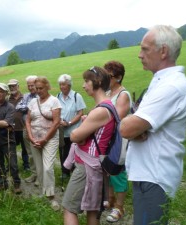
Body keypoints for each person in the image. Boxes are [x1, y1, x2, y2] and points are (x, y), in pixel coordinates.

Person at [120, 25, 186, 225]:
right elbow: (134, 125)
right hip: (148, 173)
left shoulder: (171, 86)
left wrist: (133, 125)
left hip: (154, 176)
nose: (139, 55)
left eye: (144, 49)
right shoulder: (161, 81)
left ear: (163, 51)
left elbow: (127, 128)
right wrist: (136, 125)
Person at [62, 66, 115, 225]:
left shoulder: (100, 111)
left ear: (97, 82)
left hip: (86, 166)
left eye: (86, 81)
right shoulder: (108, 105)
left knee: (69, 208)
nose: (84, 85)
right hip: (97, 165)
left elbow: (74, 136)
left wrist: (78, 131)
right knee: (92, 211)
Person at [25, 77, 61, 210]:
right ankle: (43, 192)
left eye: (41, 88)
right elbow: (28, 121)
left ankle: (51, 197)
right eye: (36, 88)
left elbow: (56, 122)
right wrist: (30, 136)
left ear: (47, 87)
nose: (38, 91)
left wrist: (44, 139)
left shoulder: (54, 101)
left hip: (49, 139)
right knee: (39, 169)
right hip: (34, 139)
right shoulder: (33, 102)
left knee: (47, 168)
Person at [103, 60, 132, 222]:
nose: (105, 79)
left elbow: (117, 118)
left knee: (118, 171)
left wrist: (96, 121)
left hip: (119, 139)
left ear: (119, 77)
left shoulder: (123, 94)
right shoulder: (108, 93)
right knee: (107, 169)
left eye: (109, 76)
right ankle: (111, 199)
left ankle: (119, 208)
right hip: (107, 138)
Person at [57, 74, 86, 179]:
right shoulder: (58, 96)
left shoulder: (76, 96)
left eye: (63, 84)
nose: (61, 87)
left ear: (69, 85)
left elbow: (80, 113)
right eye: (60, 84)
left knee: (74, 151)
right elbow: (56, 111)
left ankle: (75, 172)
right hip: (61, 131)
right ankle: (64, 172)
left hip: (74, 131)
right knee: (63, 151)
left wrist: (68, 123)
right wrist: (59, 121)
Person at [15, 75, 39, 185]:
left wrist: (27, 107)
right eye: (28, 85)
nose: (30, 87)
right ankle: (34, 174)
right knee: (30, 153)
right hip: (26, 128)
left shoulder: (42, 95)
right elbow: (18, 107)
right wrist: (30, 107)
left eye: (32, 85)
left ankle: (40, 175)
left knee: (40, 153)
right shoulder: (26, 96)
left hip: (39, 129)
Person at [8, 79, 30, 171]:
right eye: (10, 86)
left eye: (14, 85)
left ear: (18, 86)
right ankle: (13, 166)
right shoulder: (7, 99)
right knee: (11, 149)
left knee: (25, 148)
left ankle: (26, 165)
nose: (12, 88)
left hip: (24, 127)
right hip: (12, 128)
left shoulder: (25, 97)